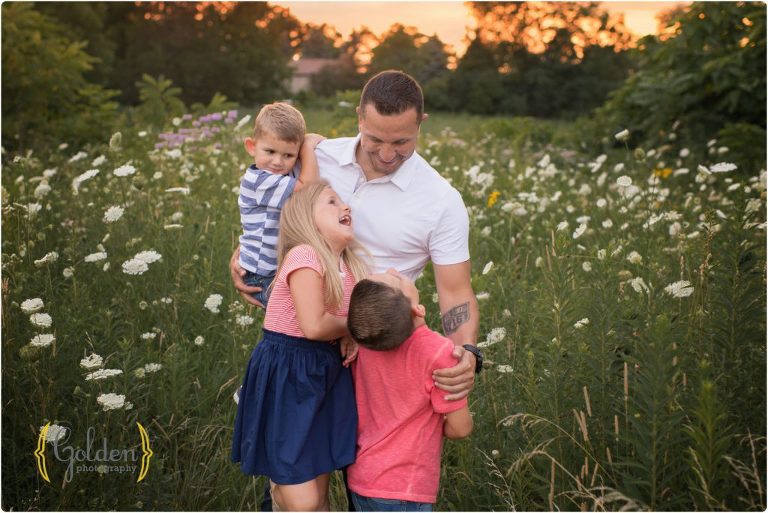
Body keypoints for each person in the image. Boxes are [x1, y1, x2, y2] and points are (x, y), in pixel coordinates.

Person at [231, 70, 481, 401]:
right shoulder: (314, 158)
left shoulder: (441, 201)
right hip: (300, 343)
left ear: (421, 122)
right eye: (375, 139)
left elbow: (456, 291)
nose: (387, 154)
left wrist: (466, 352)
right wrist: (243, 255)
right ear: (359, 117)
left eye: (402, 142)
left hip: (377, 351)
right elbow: (268, 210)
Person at [231, 182, 370, 511]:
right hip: (290, 374)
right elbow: (314, 325)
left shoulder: (348, 269)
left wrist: (348, 334)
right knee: (303, 499)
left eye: (343, 202)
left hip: (325, 375)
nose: (344, 207)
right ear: (306, 219)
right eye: (332, 202)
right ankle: (277, 498)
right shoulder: (305, 256)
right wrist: (356, 328)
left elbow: (333, 326)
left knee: (318, 493)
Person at [345, 269, 473, 511]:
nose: (393, 270)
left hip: (362, 476)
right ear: (418, 309)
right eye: (397, 279)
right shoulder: (438, 352)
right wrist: (424, 430)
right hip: (404, 487)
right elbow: (461, 427)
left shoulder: (366, 346)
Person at [237, 101, 324, 307]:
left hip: (271, 269)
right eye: (270, 152)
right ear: (251, 146)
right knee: (299, 316)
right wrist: (308, 147)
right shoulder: (260, 180)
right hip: (262, 274)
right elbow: (307, 186)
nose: (278, 162)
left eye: (288, 155)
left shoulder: (279, 177)